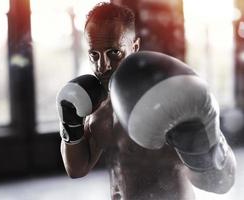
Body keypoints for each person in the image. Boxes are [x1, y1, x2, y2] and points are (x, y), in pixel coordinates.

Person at [56, 2, 236, 200]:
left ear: (134, 47)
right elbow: (77, 169)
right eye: (94, 55)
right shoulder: (97, 106)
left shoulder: (163, 97)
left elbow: (218, 182)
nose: (103, 66)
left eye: (113, 52)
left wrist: (196, 136)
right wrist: (69, 121)